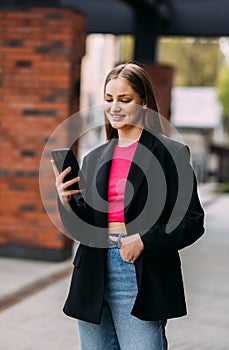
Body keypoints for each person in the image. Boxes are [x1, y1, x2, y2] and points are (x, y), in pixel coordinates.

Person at [51, 62, 205, 350]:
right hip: (93, 272)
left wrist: (145, 241)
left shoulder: (171, 153)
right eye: (109, 99)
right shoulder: (95, 157)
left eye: (125, 99)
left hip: (139, 270)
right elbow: (84, 224)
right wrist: (66, 199)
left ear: (144, 102)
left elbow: (192, 221)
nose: (115, 107)